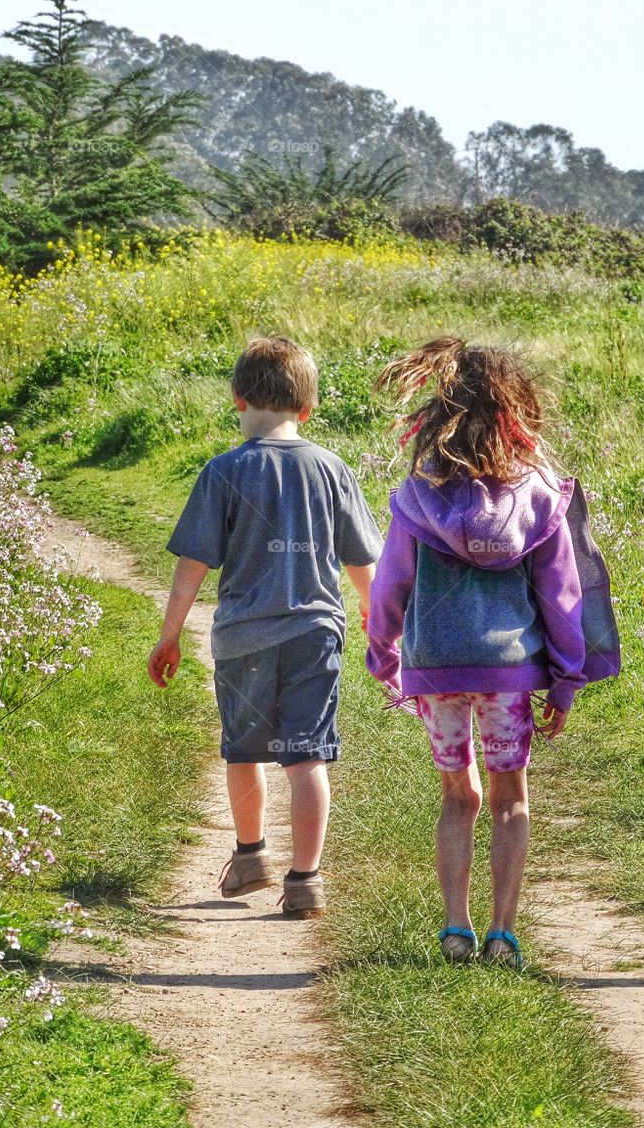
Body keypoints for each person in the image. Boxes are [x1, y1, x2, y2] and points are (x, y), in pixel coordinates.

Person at [366, 337, 620, 967]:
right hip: (509, 670)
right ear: (519, 409)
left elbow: (391, 583)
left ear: (440, 411)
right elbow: (562, 597)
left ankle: (456, 929)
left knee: (459, 798)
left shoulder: (418, 495)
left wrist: (384, 653)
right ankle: (503, 935)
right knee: (510, 799)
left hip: (437, 667)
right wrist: (565, 680)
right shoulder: (538, 496)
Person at [147, 336, 381, 917]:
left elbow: (192, 565)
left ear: (236, 397)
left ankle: (251, 855)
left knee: (244, 751)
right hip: (316, 633)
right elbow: (362, 562)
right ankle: (305, 881)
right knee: (307, 757)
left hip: (243, 636)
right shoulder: (332, 469)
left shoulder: (223, 472)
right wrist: (379, 620)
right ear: (308, 407)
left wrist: (170, 634)